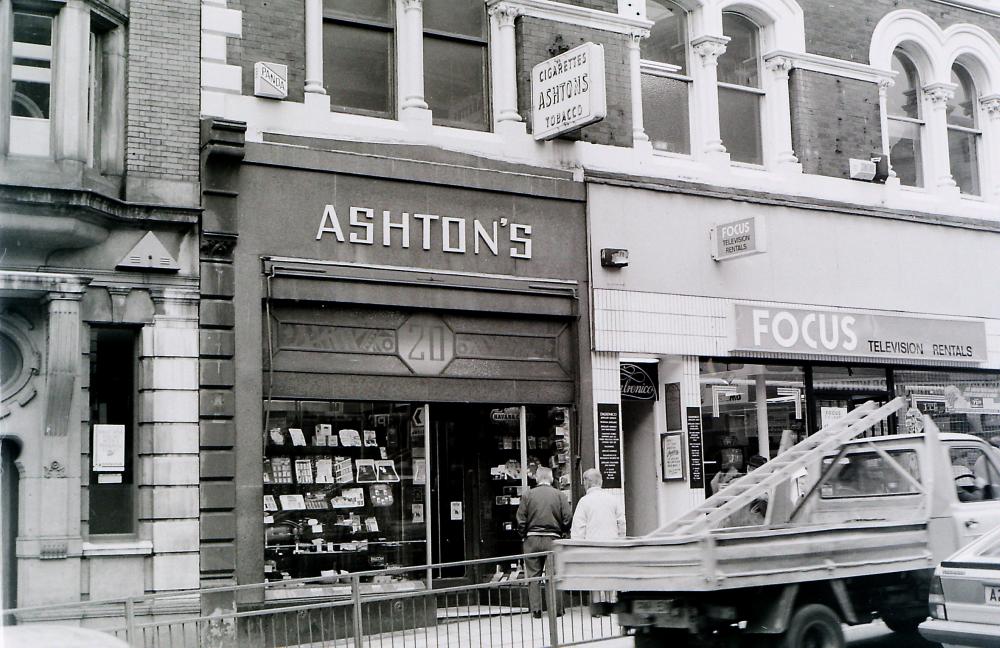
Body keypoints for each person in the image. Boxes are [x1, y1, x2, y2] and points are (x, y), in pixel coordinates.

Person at [516, 466, 572, 618]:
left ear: (536, 478)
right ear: (551, 478)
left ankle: (536, 610)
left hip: (532, 539)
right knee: (553, 575)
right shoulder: (559, 495)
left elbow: (520, 519)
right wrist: (562, 532)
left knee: (534, 576)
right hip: (553, 539)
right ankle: (556, 610)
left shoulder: (528, 495)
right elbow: (567, 517)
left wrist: (524, 534)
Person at [570, 468, 625, 615]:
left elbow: (578, 527)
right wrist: (621, 540)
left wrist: (576, 547)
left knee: (594, 576)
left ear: (587, 483)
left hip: (592, 546)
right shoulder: (613, 499)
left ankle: (597, 607)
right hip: (612, 544)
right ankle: (610, 605)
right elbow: (621, 523)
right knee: (609, 573)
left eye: (584, 482)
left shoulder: (584, 502)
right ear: (600, 482)